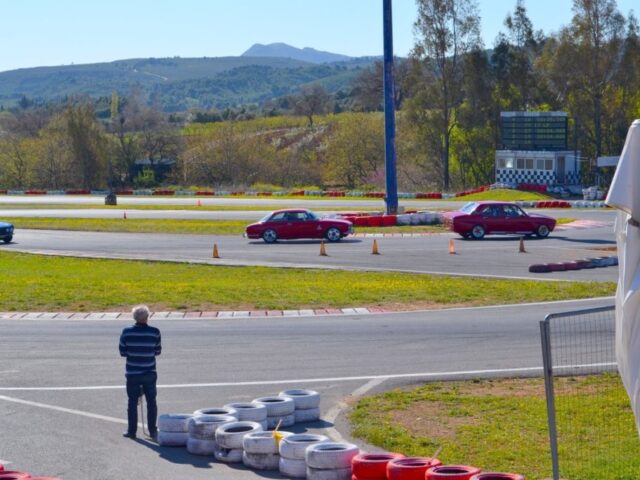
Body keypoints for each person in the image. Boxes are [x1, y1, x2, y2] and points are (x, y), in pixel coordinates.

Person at [119, 305, 161, 439]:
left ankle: (131, 431)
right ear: (147, 317)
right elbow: (157, 351)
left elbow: (123, 352)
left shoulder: (126, 332)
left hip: (132, 372)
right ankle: (153, 430)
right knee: (151, 401)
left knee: (132, 401)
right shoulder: (155, 332)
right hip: (149, 372)